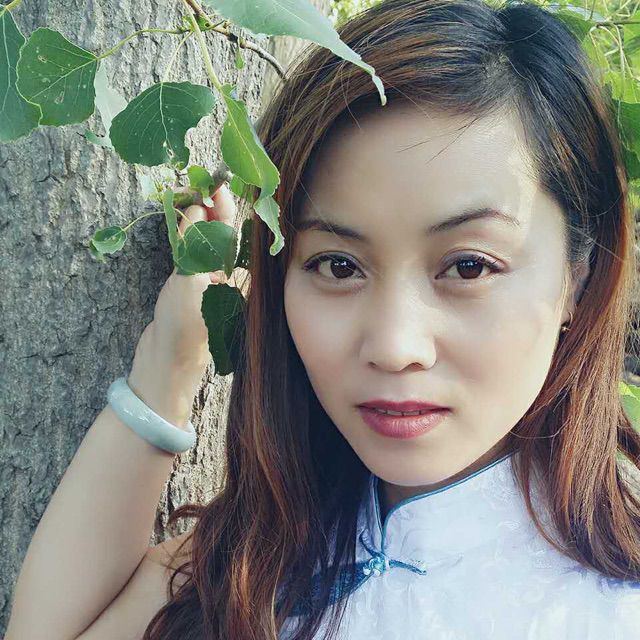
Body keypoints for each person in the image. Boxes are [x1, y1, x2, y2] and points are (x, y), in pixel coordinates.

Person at [5, 0, 640, 638]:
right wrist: (170, 362)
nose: (394, 346)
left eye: (469, 267)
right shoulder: (249, 565)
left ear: (579, 276)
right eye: (338, 266)